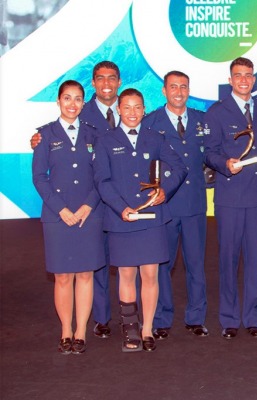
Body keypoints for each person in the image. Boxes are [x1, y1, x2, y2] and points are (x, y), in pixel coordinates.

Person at [30, 60, 122, 339]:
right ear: (58, 101)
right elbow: (39, 177)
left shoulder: (95, 135)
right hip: (57, 218)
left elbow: (100, 177)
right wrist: (61, 210)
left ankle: (81, 332)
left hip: (87, 215)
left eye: (78, 99)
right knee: (62, 277)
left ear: (84, 103)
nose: (72, 104)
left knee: (85, 275)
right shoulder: (44, 135)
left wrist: (86, 207)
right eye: (67, 98)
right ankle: (65, 332)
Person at [93, 88, 187, 352]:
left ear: (144, 110)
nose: (132, 112)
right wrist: (121, 208)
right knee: (126, 274)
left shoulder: (155, 138)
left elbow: (180, 166)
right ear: (119, 110)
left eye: (138, 107)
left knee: (150, 274)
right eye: (127, 107)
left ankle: (147, 330)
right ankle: (130, 329)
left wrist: (164, 190)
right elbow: (102, 180)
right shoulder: (105, 141)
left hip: (151, 218)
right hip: (121, 218)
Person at [204, 57, 257, 339]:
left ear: (254, 79)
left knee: (255, 259)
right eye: (238, 75)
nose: (243, 80)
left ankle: (252, 318)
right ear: (230, 80)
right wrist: (224, 163)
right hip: (229, 196)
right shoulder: (217, 112)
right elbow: (208, 151)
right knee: (228, 259)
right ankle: (229, 319)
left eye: (248, 75)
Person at [142, 71, 209, 340]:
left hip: (194, 204)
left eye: (183, 86)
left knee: (196, 264)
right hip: (165, 205)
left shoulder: (202, 121)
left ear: (189, 90)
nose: (179, 91)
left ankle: (196, 317)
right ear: (164, 90)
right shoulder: (150, 122)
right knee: (163, 265)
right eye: (173, 87)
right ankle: (161, 318)